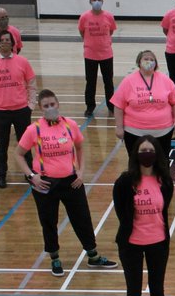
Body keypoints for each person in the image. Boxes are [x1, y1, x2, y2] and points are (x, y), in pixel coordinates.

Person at [12, 89, 118, 276]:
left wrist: (81, 171)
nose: (50, 108)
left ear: (58, 104)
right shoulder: (34, 129)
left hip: (71, 182)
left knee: (82, 218)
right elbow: (18, 154)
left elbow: (79, 148)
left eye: (53, 104)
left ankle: (93, 256)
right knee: (48, 221)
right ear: (40, 108)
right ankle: (55, 258)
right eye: (46, 106)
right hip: (45, 184)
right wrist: (31, 175)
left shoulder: (70, 125)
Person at [113, 136, 174, 296]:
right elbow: (121, 213)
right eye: (142, 150)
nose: (146, 154)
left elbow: (164, 208)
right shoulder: (124, 182)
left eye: (150, 150)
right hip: (131, 244)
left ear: (156, 153)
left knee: (157, 290)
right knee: (134, 291)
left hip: (158, 242)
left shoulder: (164, 181)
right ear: (135, 154)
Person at [0, 29, 37, 188]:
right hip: (0, 112)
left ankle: (30, 173)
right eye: (3, 40)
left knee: (25, 144)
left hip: (21, 111)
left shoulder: (23, 62)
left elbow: (32, 85)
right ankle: (1, 175)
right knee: (2, 146)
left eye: (8, 40)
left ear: (13, 43)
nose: (6, 42)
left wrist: (30, 105)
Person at [112, 49, 175, 164]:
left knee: (162, 163)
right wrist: (119, 127)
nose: (149, 61)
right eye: (146, 59)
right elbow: (118, 105)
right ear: (139, 62)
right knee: (135, 163)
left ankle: (162, 182)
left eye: (152, 59)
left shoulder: (165, 80)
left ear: (156, 63)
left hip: (163, 131)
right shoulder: (128, 81)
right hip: (134, 132)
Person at [79, 0, 117, 117]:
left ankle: (111, 105)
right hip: (90, 55)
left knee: (108, 81)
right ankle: (90, 106)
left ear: (102, 1)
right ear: (90, 1)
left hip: (106, 54)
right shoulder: (84, 17)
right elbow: (82, 32)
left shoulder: (109, 16)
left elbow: (111, 31)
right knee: (90, 81)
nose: (96, 2)